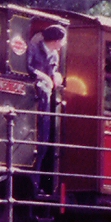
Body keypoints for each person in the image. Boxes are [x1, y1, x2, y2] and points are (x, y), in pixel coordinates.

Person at [27, 24, 66, 186]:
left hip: (46, 98)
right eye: (62, 41)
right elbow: (28, 68)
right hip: (34, 94)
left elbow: (53, 74)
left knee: (44, 139)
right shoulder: (33, 49)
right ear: (56, 40)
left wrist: (56, 77)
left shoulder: (55, 56)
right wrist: (43, 76)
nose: (63, 44)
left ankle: (36, 180)